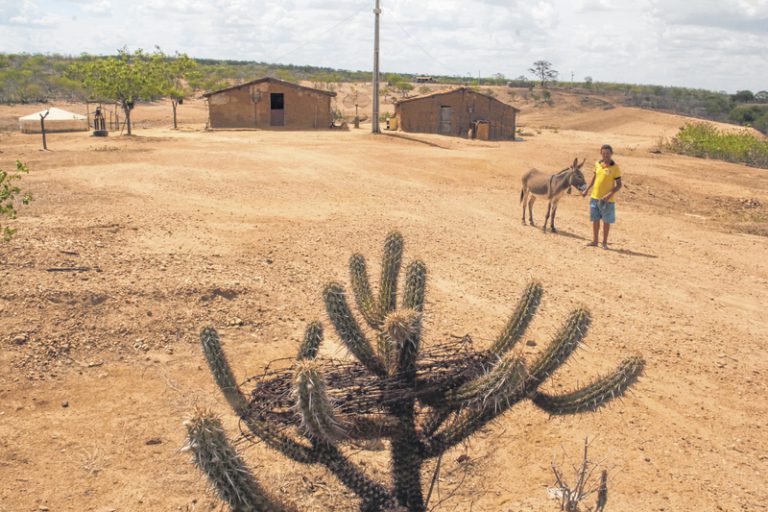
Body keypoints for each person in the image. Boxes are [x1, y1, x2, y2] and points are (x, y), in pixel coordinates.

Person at [582, 144, 622, 248]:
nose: (606, 155)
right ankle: (595, 241)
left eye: (608, 153)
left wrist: (609, 195)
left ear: (611, 154)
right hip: (594, 197)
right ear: (601, 153)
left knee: (606, 221)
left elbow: (619, 185)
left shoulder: (615, 167)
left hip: (607, 200)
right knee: (595, 220)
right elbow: (594, 178)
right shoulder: (597, 164)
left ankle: (604, 243)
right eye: (604, 153)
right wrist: (587, 189)